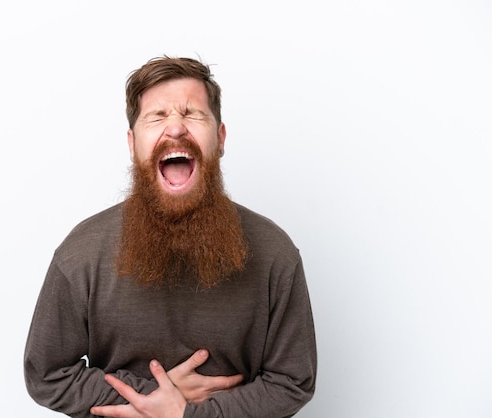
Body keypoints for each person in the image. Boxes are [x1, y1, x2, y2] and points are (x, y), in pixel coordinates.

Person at [24, 56, 317, 418]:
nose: (175, 129)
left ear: (220, 138)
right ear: (132, 144)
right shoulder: (80, 253)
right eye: (157, 117)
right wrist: (157, 395)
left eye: (192, 114)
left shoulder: (275, 253)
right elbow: (45, 374)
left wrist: (187, 414)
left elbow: (293, 381)